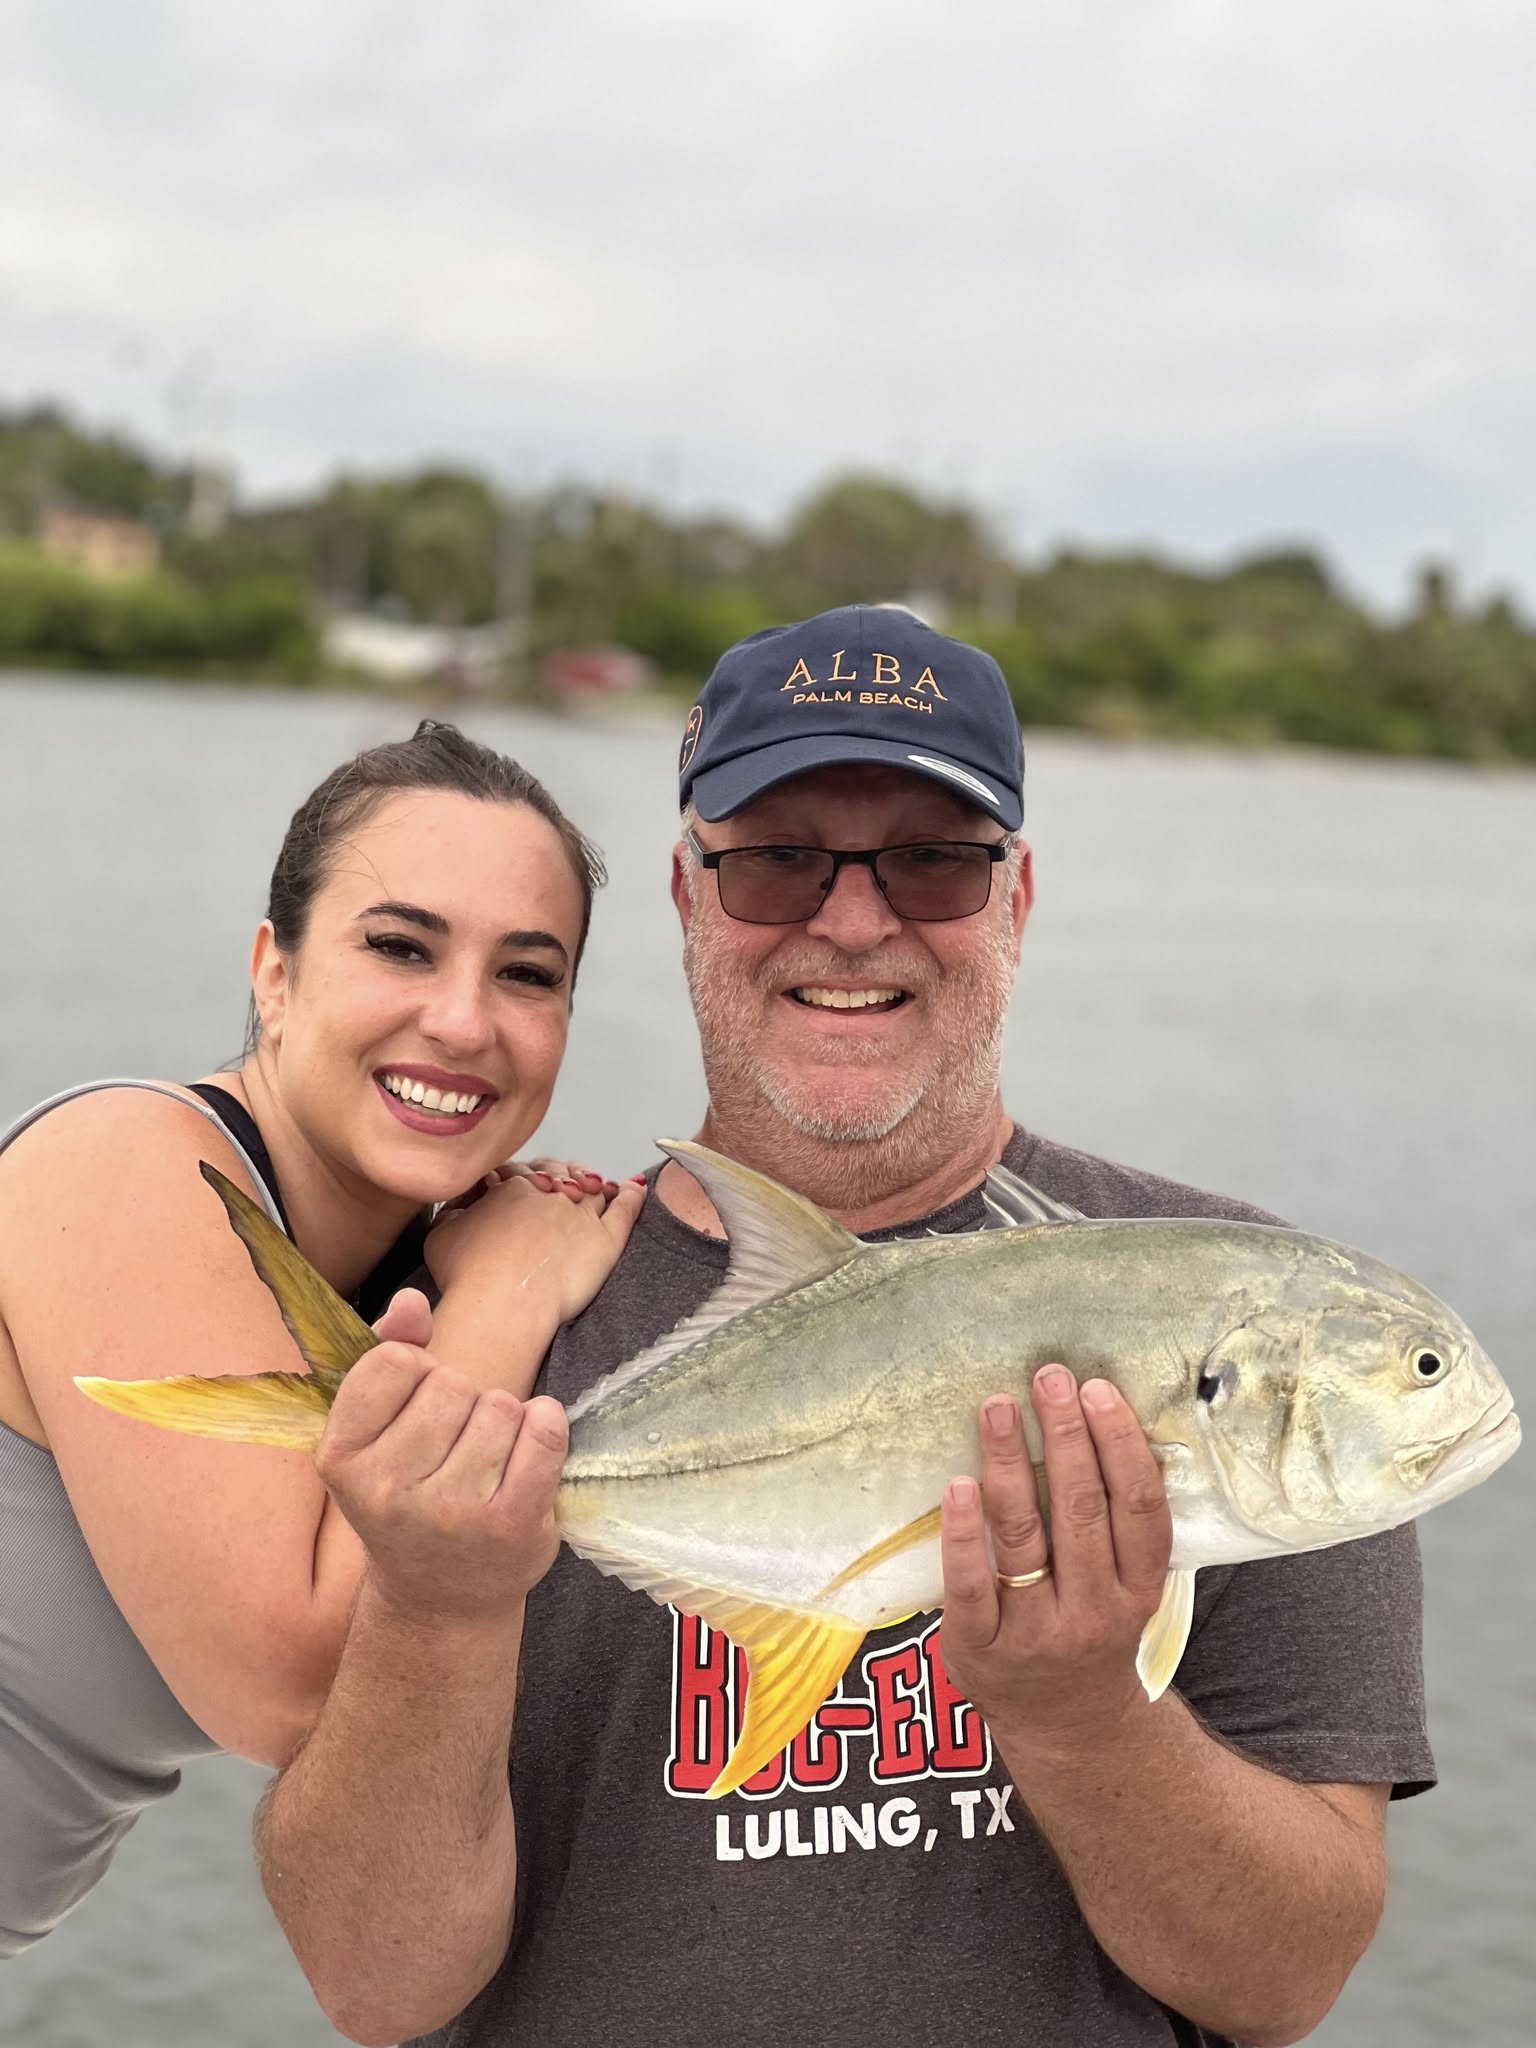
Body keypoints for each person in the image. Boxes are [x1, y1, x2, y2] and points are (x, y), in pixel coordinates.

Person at [255, 611, 1434, 2048]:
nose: (855, 920)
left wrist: (1077, 1711)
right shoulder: (484, 1325)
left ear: (1019, 900)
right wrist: (437, 1607)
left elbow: (1284, 1980)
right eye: (776, 863)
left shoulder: (1247, 1317)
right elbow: (373, 1984)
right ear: (690, 903)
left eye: (935, 861)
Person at [0, 721, 643, 1960]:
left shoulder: (387, 1275)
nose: (462, 1022)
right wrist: (504, 1295)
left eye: (527, 973)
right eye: (400, 946)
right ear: (275, 971)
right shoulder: (124, 1163)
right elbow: (298, 1677)